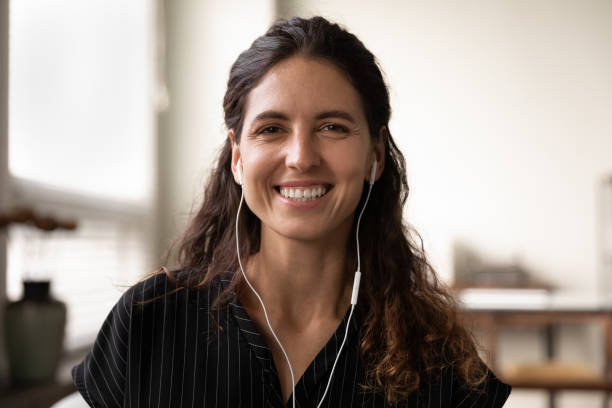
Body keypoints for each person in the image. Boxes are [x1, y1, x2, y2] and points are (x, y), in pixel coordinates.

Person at [72, 16, 511, 407]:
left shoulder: (437, 356)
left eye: (332, 127)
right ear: (238, 158)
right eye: (271, 129)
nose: (301, 156)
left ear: (375, 154)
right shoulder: (149, 320)